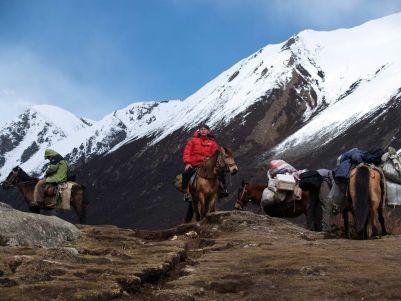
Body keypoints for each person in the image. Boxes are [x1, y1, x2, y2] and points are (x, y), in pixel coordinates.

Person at [182, 124, 227, 202]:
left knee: (220, 172)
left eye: (205, 129)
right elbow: (187, 152)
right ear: (199, 131)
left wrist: (214, 163)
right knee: (186, 174)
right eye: (201, 129)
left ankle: (222, 189)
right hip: (194, 164)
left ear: (208, 131)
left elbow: (216, 155)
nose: (203, 131)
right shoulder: (192, 141)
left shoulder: (213, 143)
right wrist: (188, 163)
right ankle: (186, 193)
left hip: (208, 165)